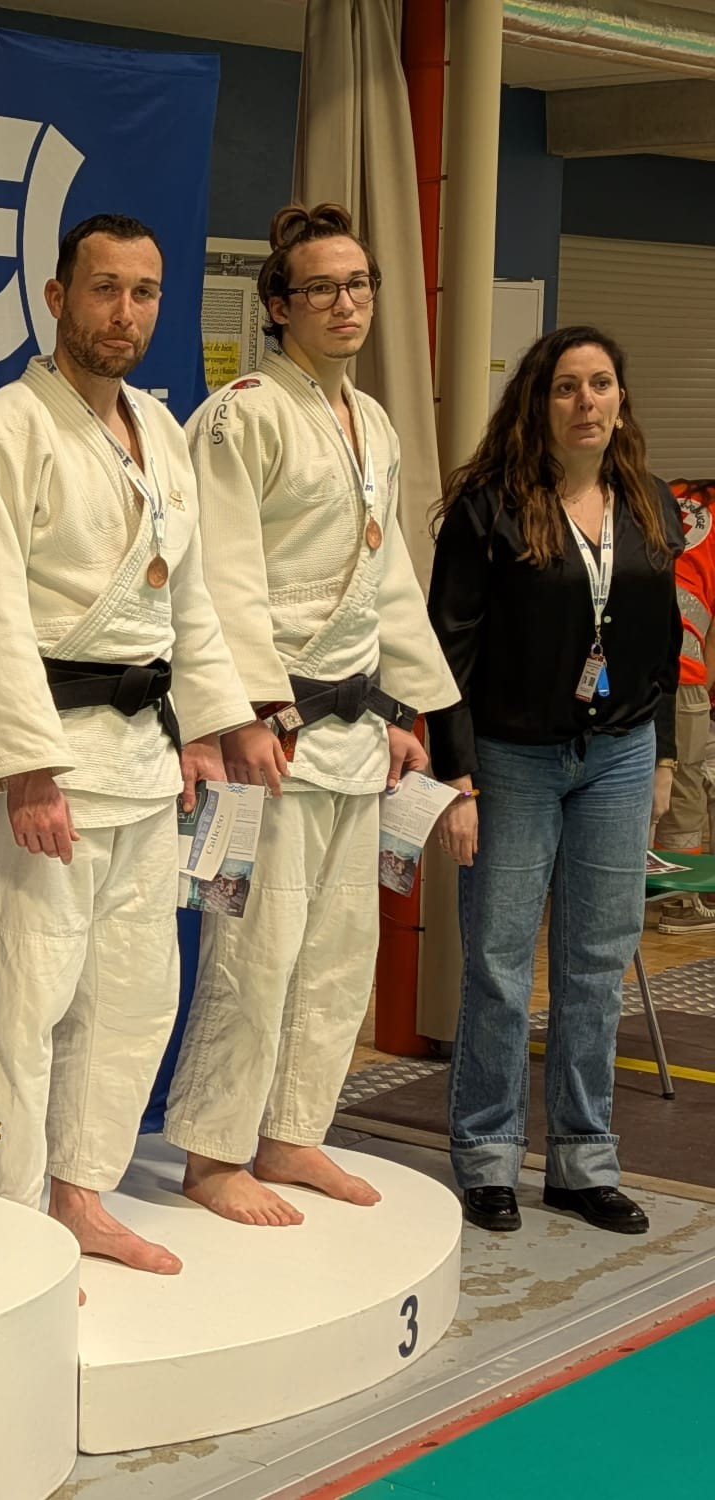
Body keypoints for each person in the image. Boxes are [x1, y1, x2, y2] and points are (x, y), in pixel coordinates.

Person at [0, 214, 251, 1274]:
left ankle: (80, 1195)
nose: (125, 312)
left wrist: (205, 730)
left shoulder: (160, 430)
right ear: (57, 297)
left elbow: (189, 599)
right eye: (105, 289)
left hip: (144, 757)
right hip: (53, 761)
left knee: (132, 995)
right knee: (23, 1000)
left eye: (144, 293)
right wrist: (23, 767)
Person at [163, 203, 459, 1226]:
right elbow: (218, 578)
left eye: (358, 284)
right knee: (254, 950)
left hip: (354, 726)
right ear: (279, 306)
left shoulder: (371, 420)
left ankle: (291, 1135)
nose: (345, 303)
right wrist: (243, 714)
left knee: (337, 951)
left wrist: (404, 706)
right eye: (321, 288)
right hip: (273, 730)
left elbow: (386, 579)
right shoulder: (240, 415)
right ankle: (212, 1153)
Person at [427, 325, 682, 1237]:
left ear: (621, 399)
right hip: (512, 759)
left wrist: (660, 755)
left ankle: (583, 1161)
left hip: (619, 755)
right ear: (538, 402)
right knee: (500, 964)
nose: (586, 402)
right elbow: (448, 650)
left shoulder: (649, 501)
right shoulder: (489, 507)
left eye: (600, 384)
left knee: (597, 963)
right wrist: (457, 779)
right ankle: (487, 1156)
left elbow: (661, 643)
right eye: (567, 386)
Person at [650, 477, 715, 931]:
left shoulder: (671, 491)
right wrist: (706, 687)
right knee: (684, 782)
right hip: (682, 669)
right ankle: (681, 899)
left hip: (621, 663)